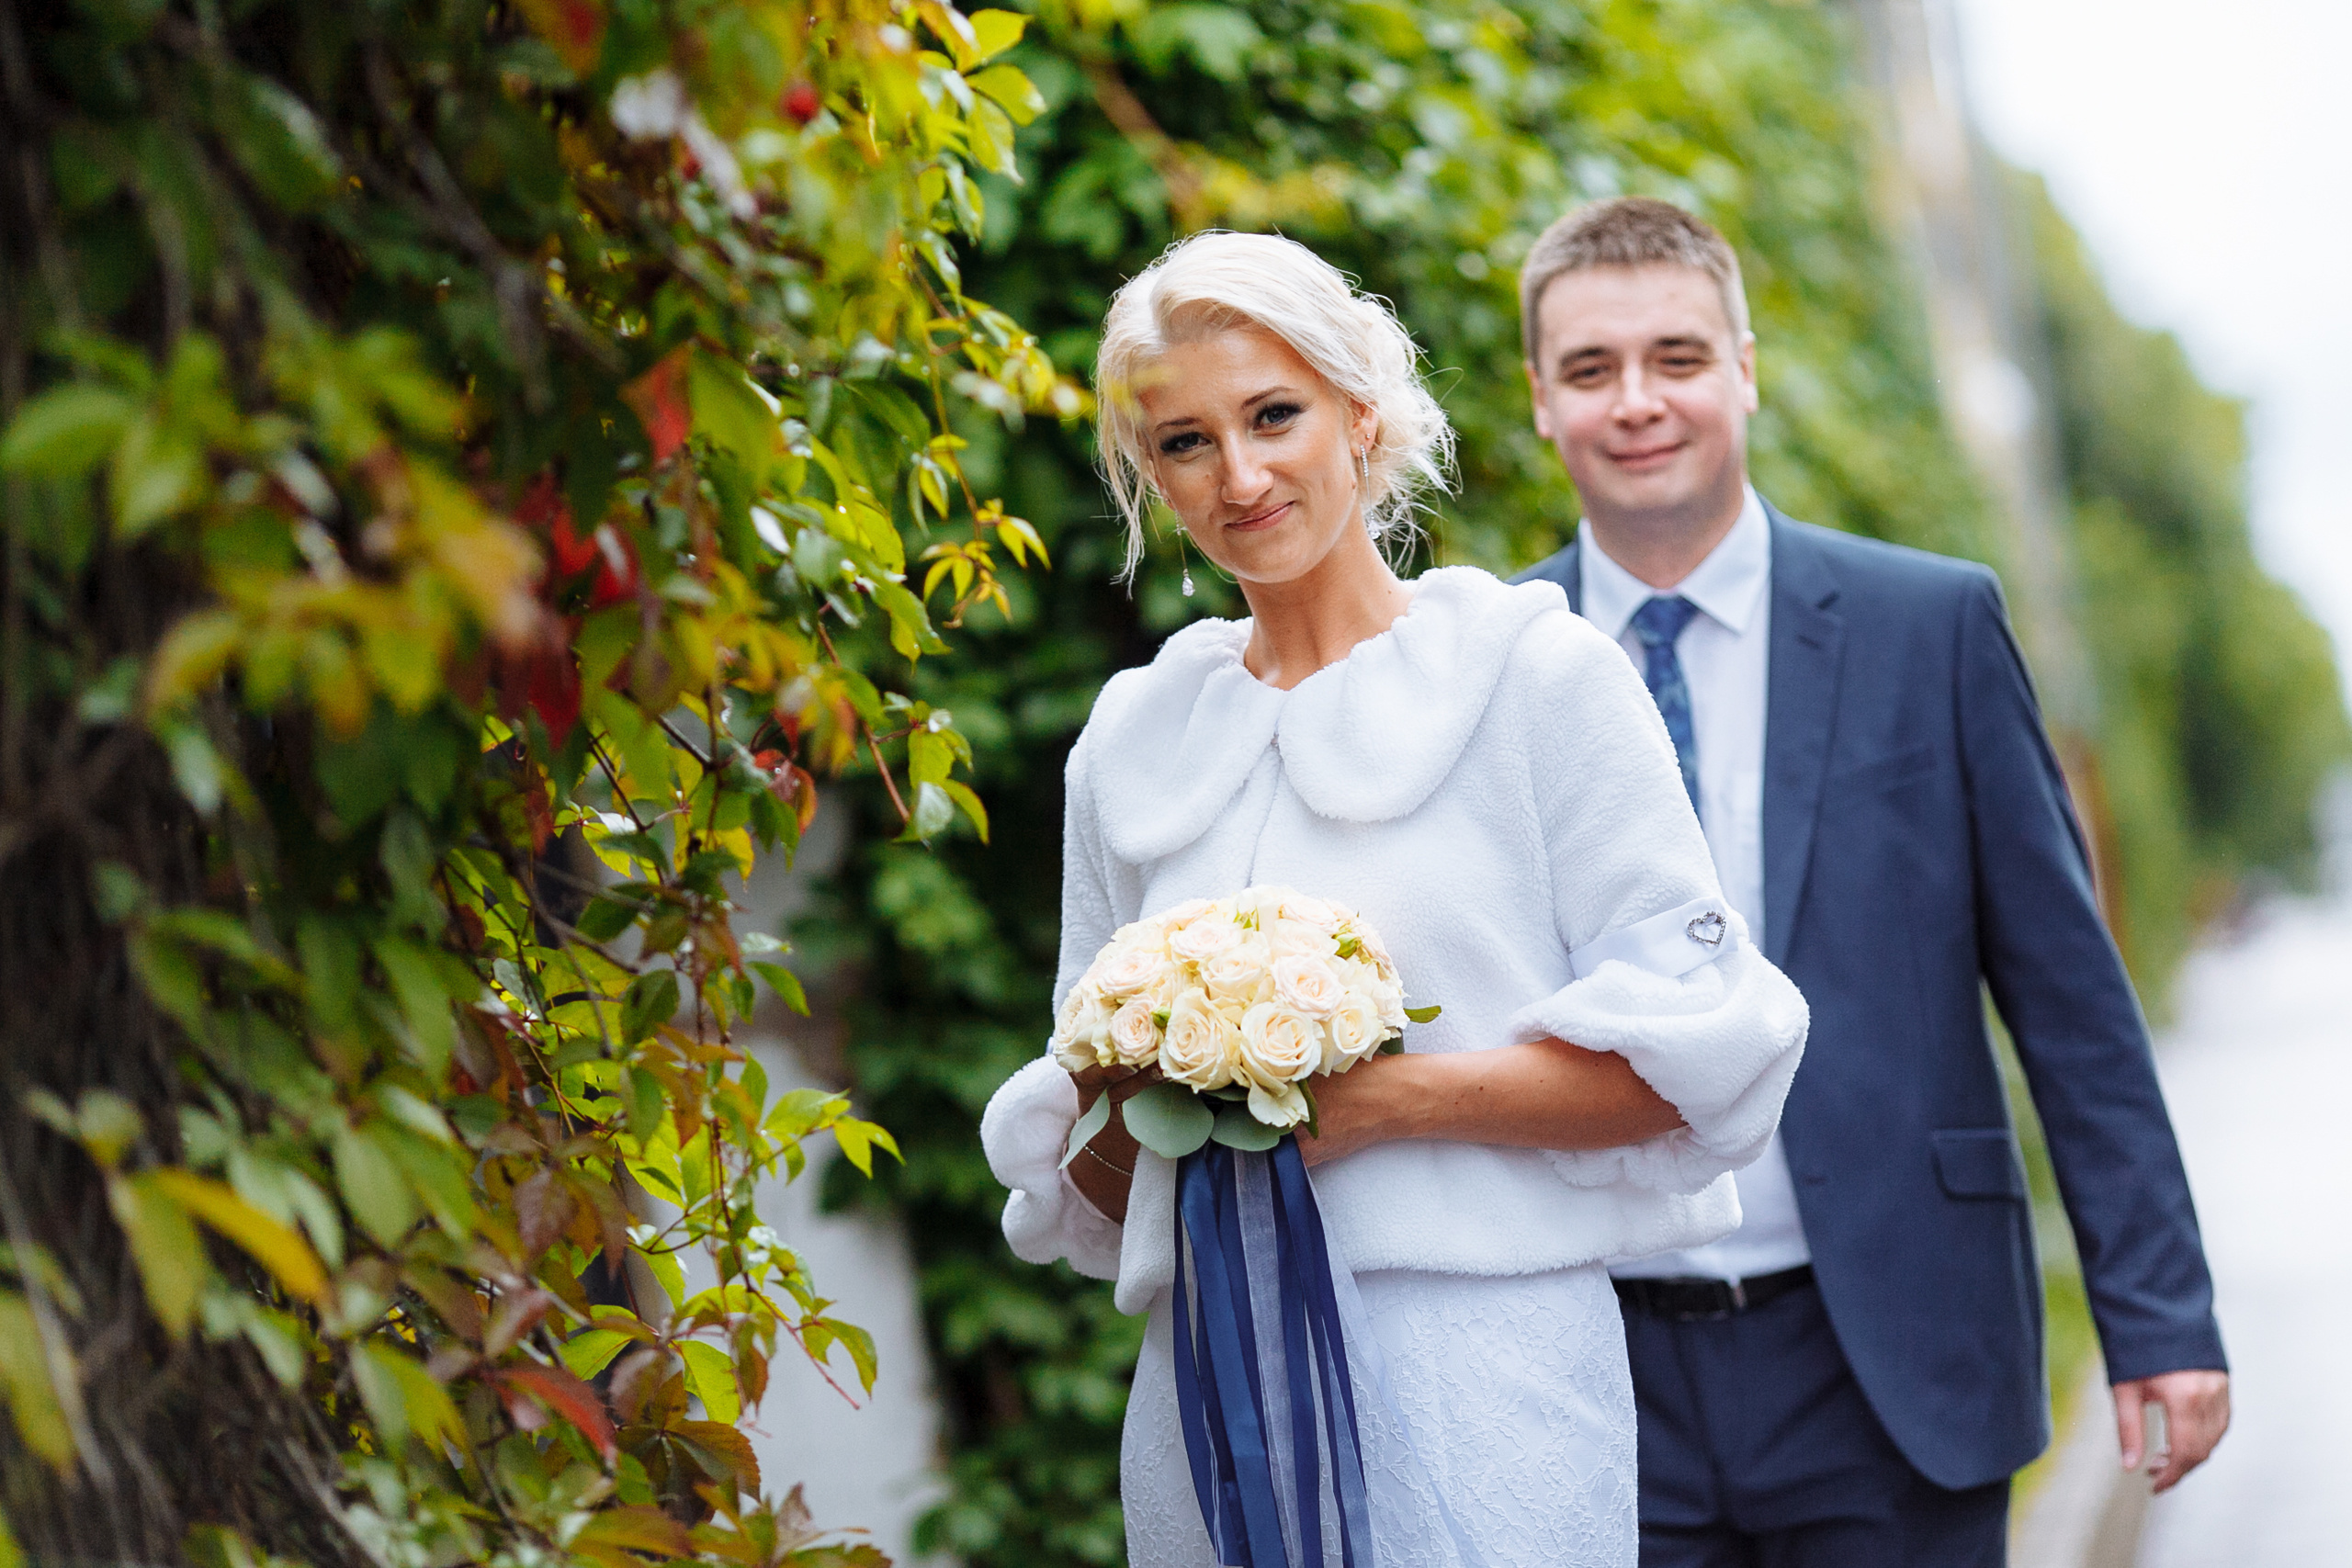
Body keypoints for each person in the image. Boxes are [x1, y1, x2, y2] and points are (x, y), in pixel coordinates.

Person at [979, 230, 1810, 1568]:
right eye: (1185, 442)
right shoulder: (1132, 743)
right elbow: (1094, 1158)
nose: (1240, 476)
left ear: (1360, 412)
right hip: (1208, 1398)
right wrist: (1158, 1093)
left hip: (1485, 1383)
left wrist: (1375, 1106)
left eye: (1274, 415)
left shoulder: (1538, 680)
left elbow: (1693, 1069)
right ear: (1150, 475)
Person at [1511, 197, 2230, 1565]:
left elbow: (2071, 1001)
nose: (1637, 401)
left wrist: (2160, 1317)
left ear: (1745, 370)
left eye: (1677, 357)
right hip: (1594, 1370)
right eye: (1592, 369)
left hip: (1891, 1354)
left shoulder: (1931, 626)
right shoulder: (1492, 662)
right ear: (1542, 401)